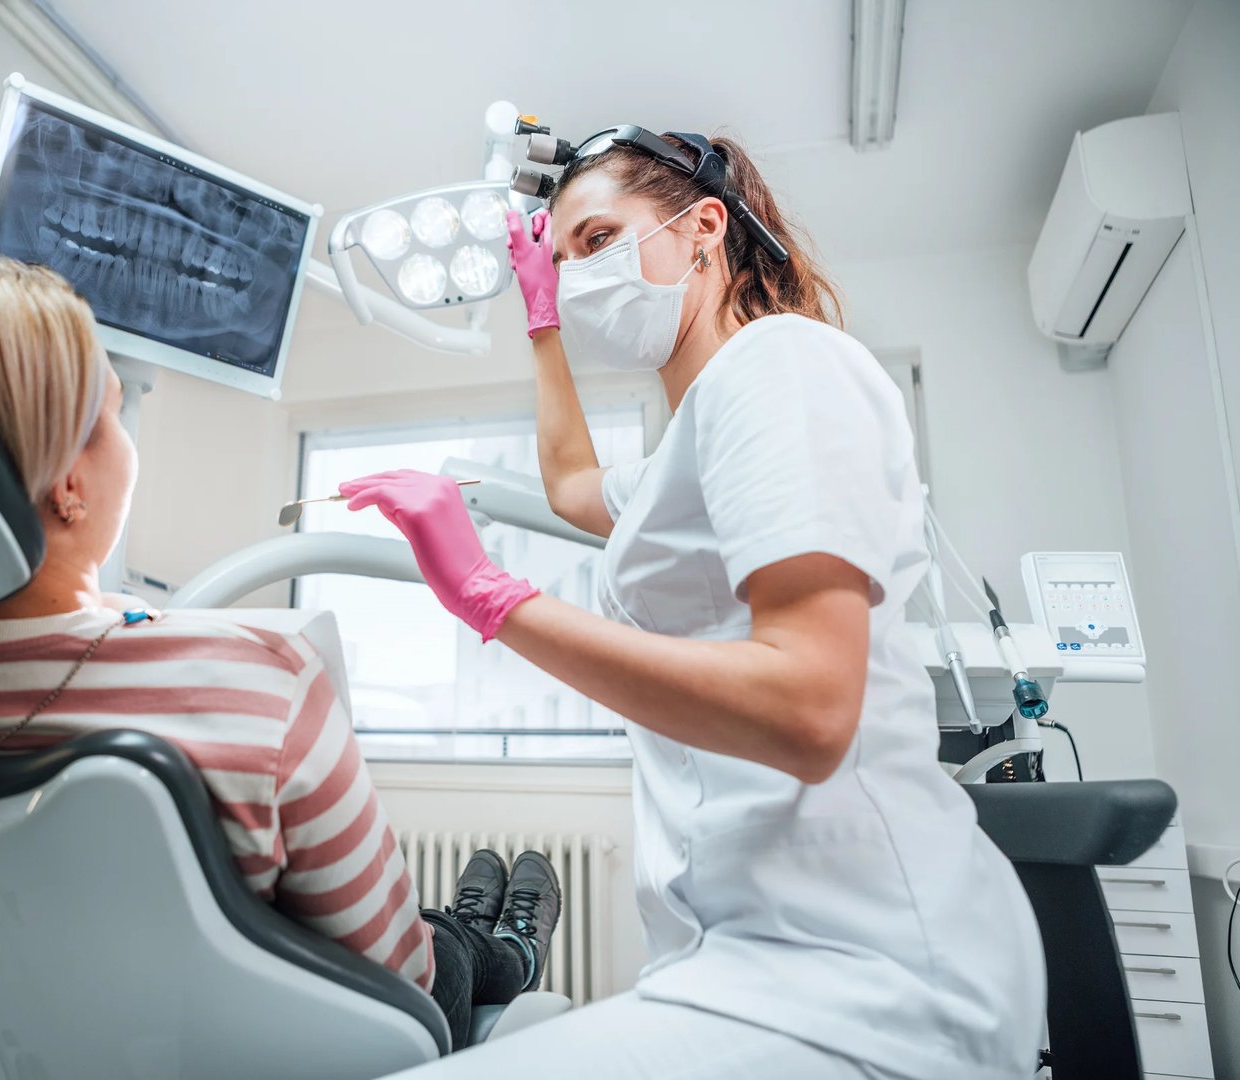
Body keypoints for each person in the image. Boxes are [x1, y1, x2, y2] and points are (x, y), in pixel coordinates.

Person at [343, 129, 1044, 1077]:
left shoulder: (780, 366)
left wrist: (488, 598)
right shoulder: (697, 431)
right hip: (746, 962)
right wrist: (542, 326)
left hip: (865, 976)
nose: (580, 274)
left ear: (703, 226)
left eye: (598, 240)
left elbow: (809, 707)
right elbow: (574, 487)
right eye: (560, 260)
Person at [0, 252, 559, 1051]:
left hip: (5, 1049)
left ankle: (478, 926)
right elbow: (396, 981)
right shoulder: (257, 680)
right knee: (436, 944)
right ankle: (506, 945)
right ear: (69, 481)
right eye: (114, 414)